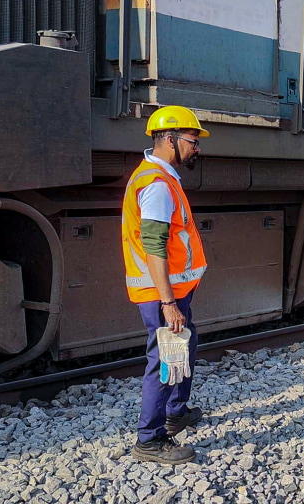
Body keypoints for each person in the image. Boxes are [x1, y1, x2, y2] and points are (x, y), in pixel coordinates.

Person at [122, 105, 210, 465]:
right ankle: (150, 439)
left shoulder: (162, 177)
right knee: (165, 355)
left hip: (173, 290)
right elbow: (154, 246)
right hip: (162, 294)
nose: (197, 148)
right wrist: (169, 303)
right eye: (192, 140)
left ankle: (177, 412)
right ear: (170, 140)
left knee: (185, 343)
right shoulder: (157, 186)